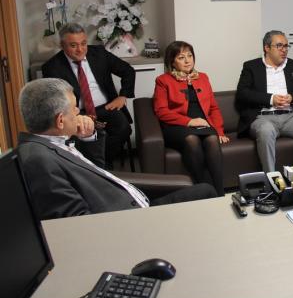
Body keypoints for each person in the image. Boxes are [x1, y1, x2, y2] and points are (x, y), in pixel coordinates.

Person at [17, 78, 217, 221]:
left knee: (205, 191)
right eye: (74, 108)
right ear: (60, 120)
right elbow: (78, 224)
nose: (78, 111)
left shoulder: (51, 143)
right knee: (206, 195)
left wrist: (88, 136)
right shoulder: (38, 160)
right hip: (129, 221)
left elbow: (96, 170)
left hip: (136, 202)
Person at [42, 22, 135, 169]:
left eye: (83, 43)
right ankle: (96, 166)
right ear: (62, 45)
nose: (80, 49)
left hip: (107, 107)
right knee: (78, 136)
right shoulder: (52, 67)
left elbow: (128, 70)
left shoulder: (99, 53)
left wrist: (122, 96)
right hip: (77, 112)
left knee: (123, 129)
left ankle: (101, 164)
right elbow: (55, 100)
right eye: (73, 45)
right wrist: (74, 115)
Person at [235, 30, 293, 173]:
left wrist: (292, 97)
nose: (284, 50)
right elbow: (242, 93)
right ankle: (271, 178)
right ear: (267, 48)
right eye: (279, 46)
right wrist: (271, 99)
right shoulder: (251, 67)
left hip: (290, 117)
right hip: (263, 117)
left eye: (286, 46)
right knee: (266, 131)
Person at [153, 41, 228, 196]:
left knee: (212, 139)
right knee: (192, 139)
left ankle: (219, 194)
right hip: (176, 127)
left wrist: (219, 131)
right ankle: (203, 191)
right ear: (172, 62)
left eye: (190, 56)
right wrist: (189, 121)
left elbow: (213, 108)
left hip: (203, 125)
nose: (187, 61)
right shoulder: (163, 80)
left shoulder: (203, 77)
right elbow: (161, 111)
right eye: (181, 57)